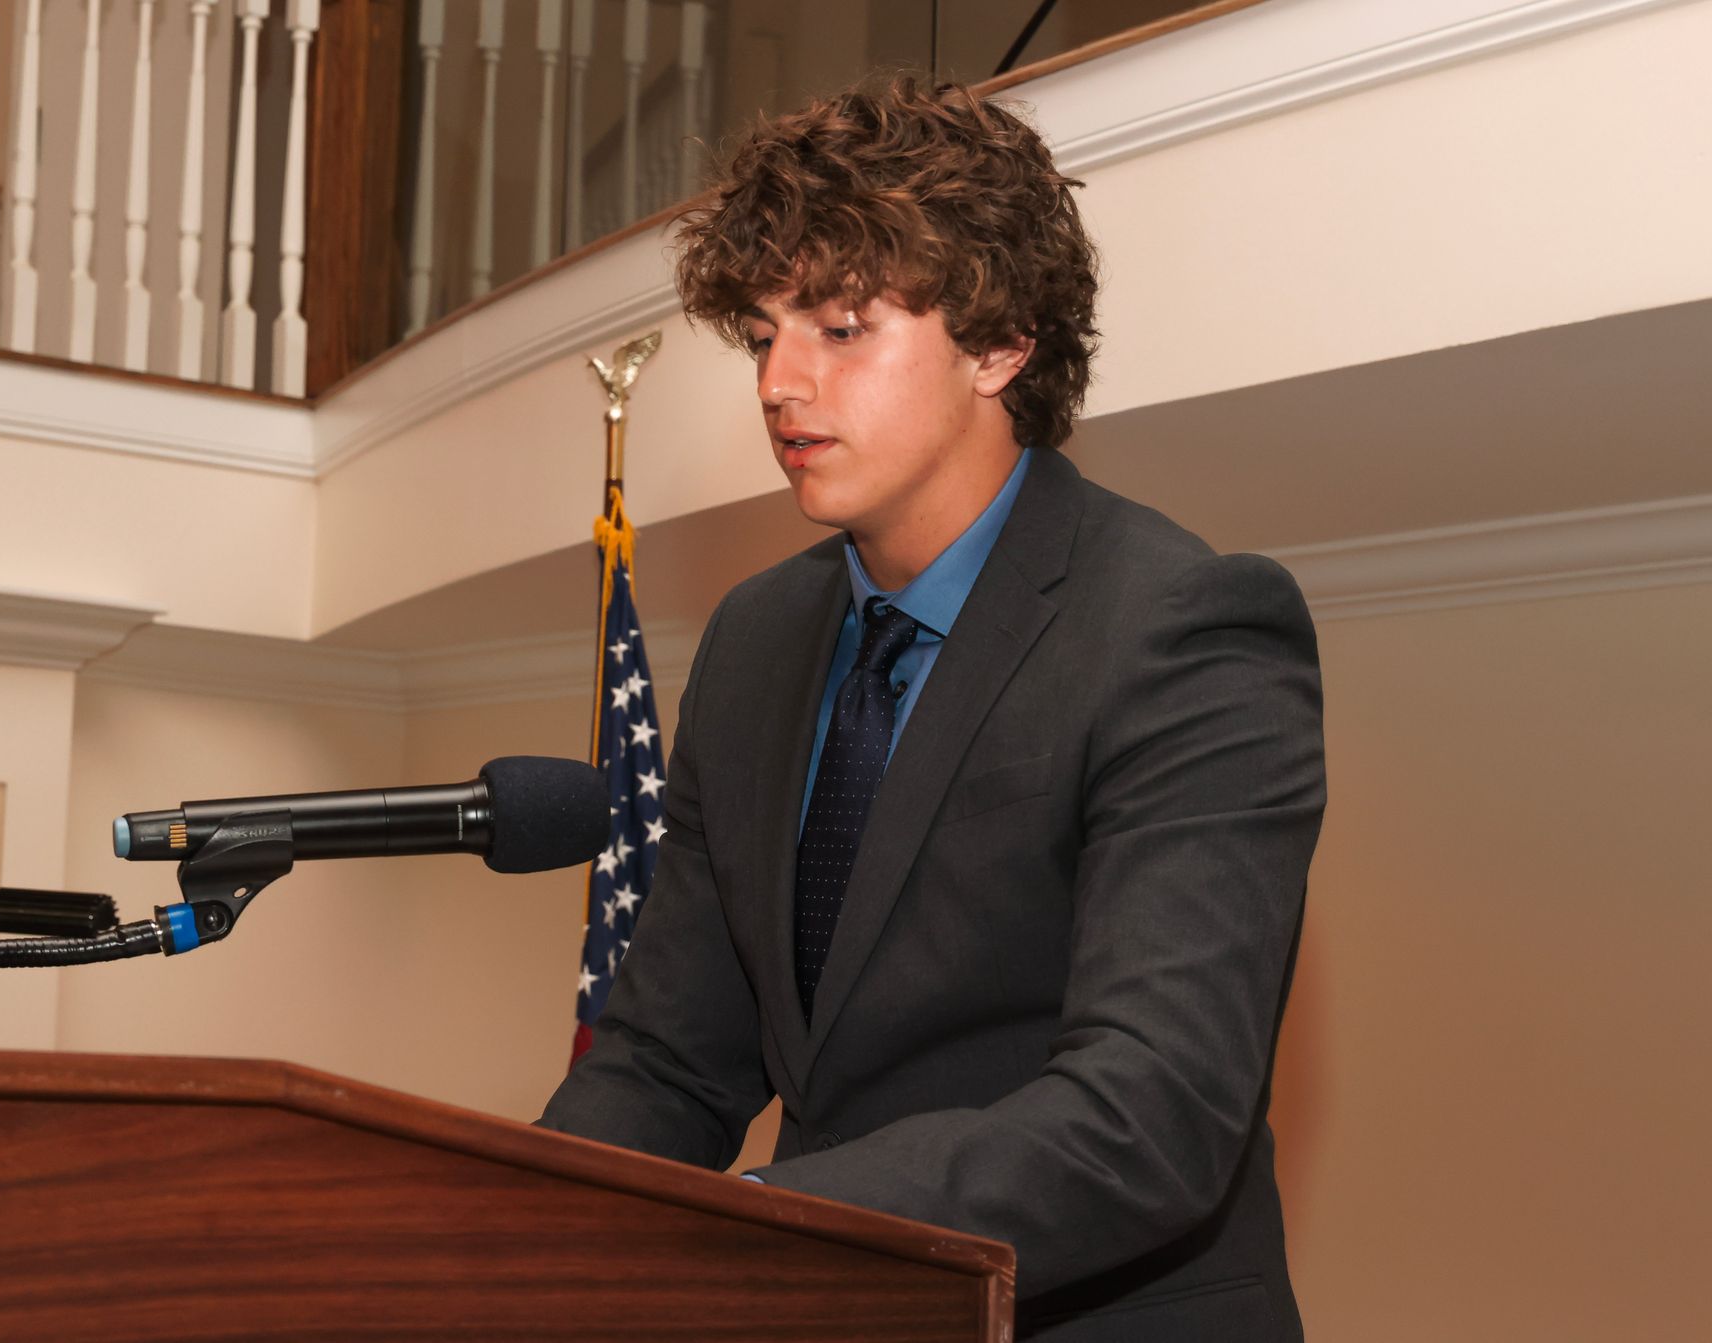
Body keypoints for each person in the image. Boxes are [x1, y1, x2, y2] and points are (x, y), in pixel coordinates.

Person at [537, 74, 1324, 1342]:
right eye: (763, 334)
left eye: (841, 326)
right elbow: (673, 1059)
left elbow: (1152, 1111)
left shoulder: (1187, 626)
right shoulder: (752, 639)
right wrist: (505, 1242)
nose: (781, 383)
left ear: (1000, 343)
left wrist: (748, 1226)